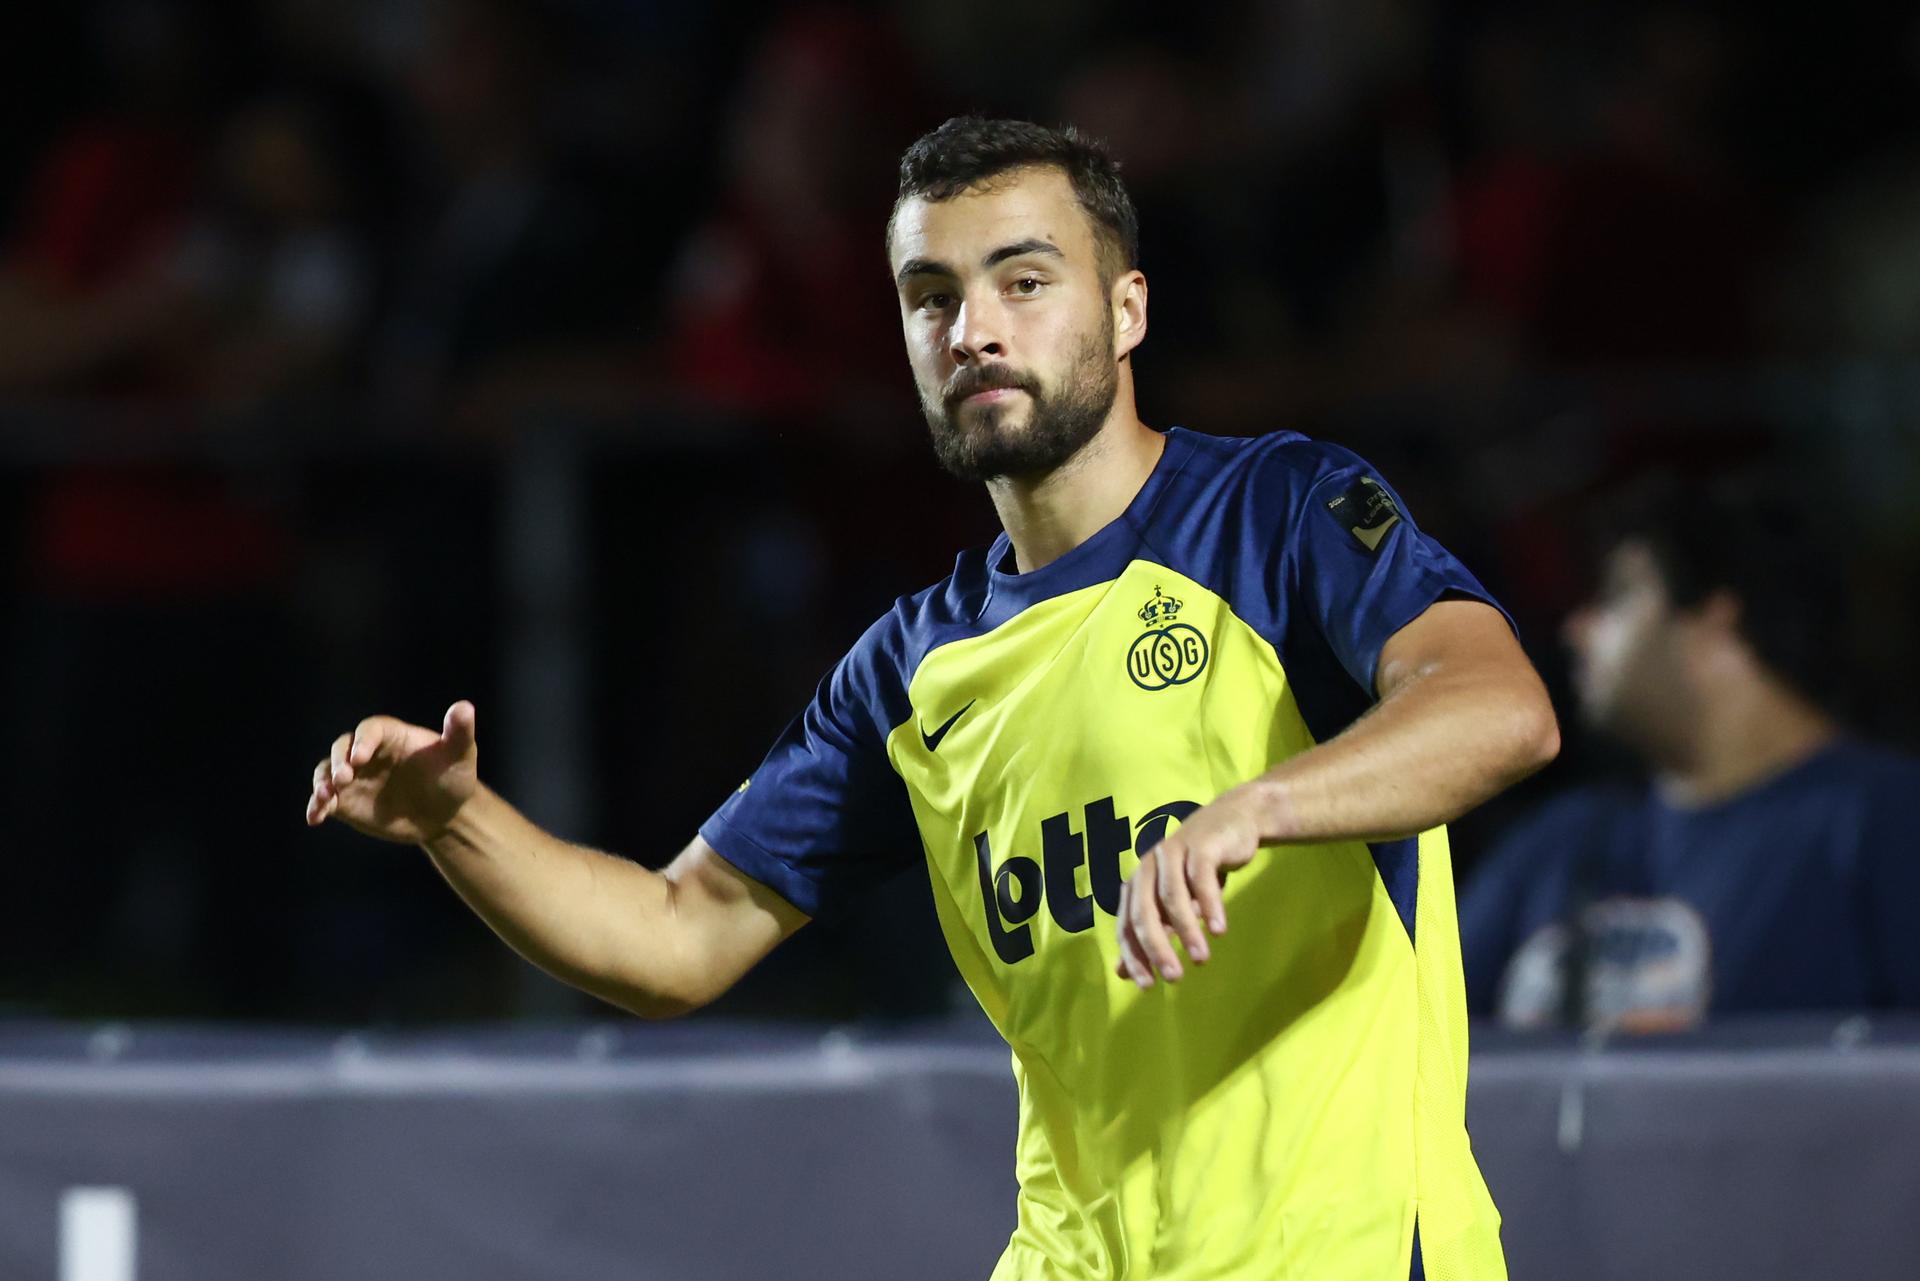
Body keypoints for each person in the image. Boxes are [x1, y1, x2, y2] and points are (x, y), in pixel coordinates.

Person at [306, 117, 1559, 1280]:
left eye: (1023, 281)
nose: (975, 330)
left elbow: (1500, 707)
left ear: (1125, 309)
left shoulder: (1276, 513)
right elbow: (675, 938)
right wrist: (455, 823)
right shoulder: (911, 670)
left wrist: (1261, 809)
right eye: (932, 297)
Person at [1459, 476, 1920, 1030]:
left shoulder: (1885, 821)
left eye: (1617, 595)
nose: (1576, 629)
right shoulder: (1561, 840)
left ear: (1715, 621)